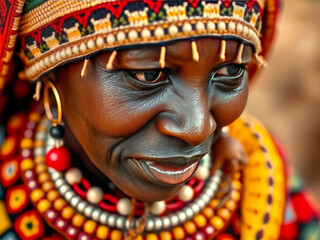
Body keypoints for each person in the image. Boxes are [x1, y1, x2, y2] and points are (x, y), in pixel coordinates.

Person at [0, 0, 319, 239]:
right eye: (148, 74)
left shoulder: (258, 175)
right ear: (51, 77)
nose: (198, 128)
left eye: (229, 72)